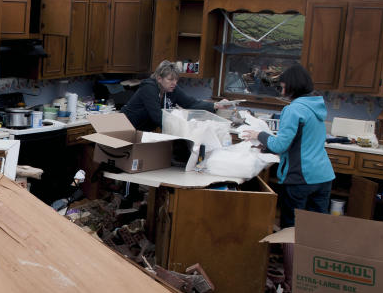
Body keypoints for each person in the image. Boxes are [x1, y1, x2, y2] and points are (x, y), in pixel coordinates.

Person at [241, 63, 335, 228]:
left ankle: (290, 254)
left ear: (293, 86)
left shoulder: (293, 110)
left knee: (291, 229)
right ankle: (310, 255)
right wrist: (266, 146)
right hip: (324, 176)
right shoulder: (316, 107)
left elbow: (280, 146)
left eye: (283, 87)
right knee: (317, 228)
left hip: (301, 177)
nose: (282, 92)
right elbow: (300, 142)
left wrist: (259, 135)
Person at [122, 60, 231, 131]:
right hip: (128, 127)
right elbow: (157, 116)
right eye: (170, 79)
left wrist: (215, 105)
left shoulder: (172, 88)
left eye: (176, 80)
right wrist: (183, 127)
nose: (174, 83)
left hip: (144, 130)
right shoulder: (149, 88)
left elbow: (191, 103)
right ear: (159, 79)